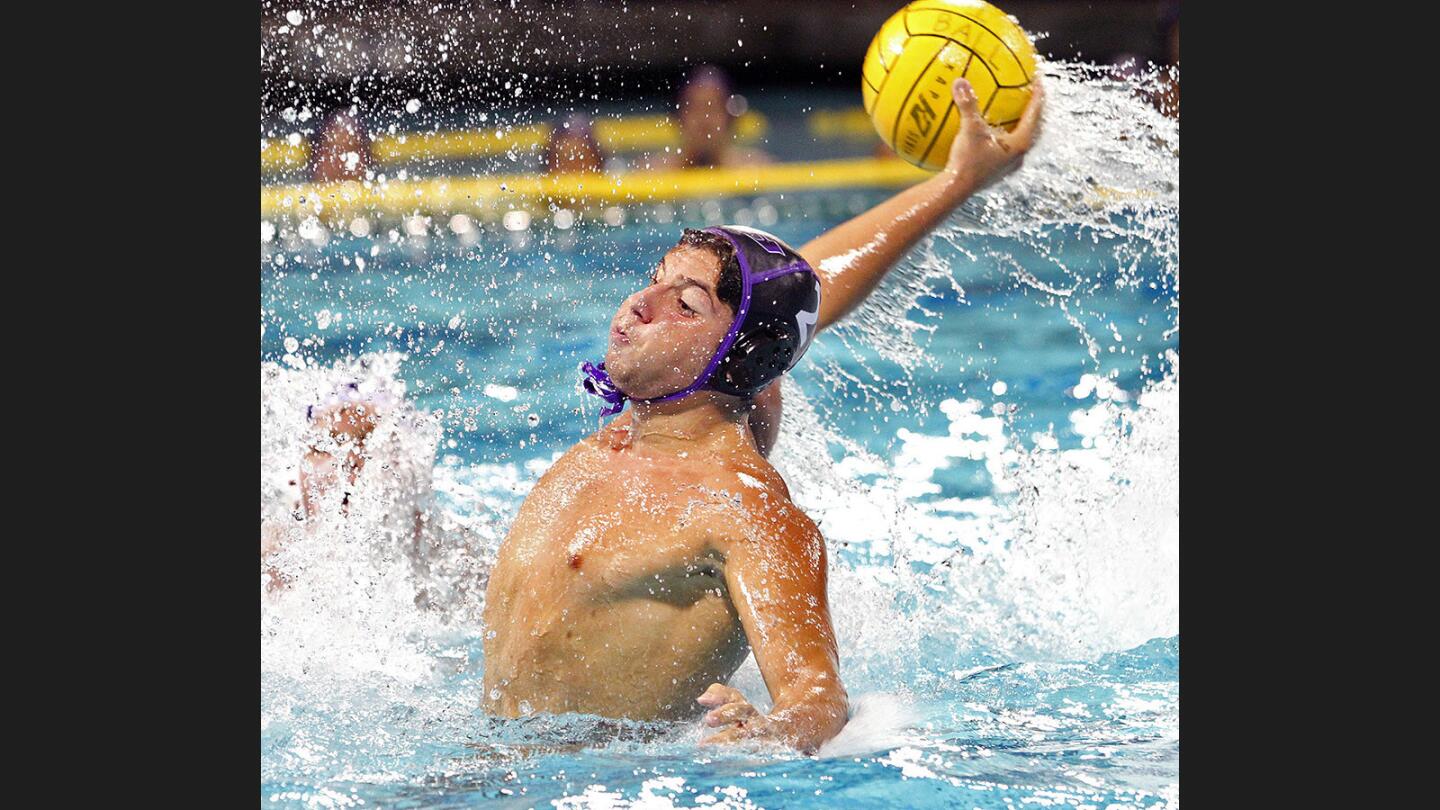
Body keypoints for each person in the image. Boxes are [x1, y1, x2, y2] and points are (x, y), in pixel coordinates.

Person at [481, 76, 1045, 752]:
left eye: (683, 305)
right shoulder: (632, 437)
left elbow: (819, 700)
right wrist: (958, 180)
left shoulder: (742, 510)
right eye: (655, 276)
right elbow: (806, 289)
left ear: (735, 360)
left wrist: (764, 735)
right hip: (479, 763)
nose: (642, 302)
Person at [650, 65, 772, 169]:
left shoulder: (756, 170)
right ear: (678, 118)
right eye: (695, 109)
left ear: (730, 118)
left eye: (713, 109)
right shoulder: (654, 173)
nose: (704, 119)